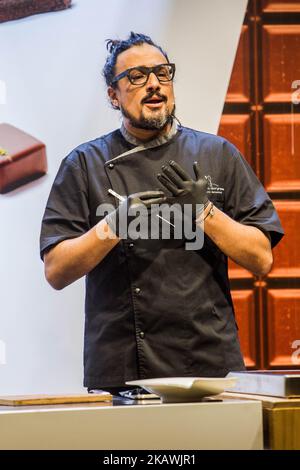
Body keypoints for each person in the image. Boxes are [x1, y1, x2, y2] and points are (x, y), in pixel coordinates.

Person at [40, 32, 284, 396]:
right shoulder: (84, 164)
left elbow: (261, 258)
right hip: (121, 366)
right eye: (136, 76)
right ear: (113, 95)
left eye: (162, 73)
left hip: (208, 364)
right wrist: (113, 224)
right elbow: (57, 271)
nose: (154, 84)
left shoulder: (219, 154)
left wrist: (204, 212)